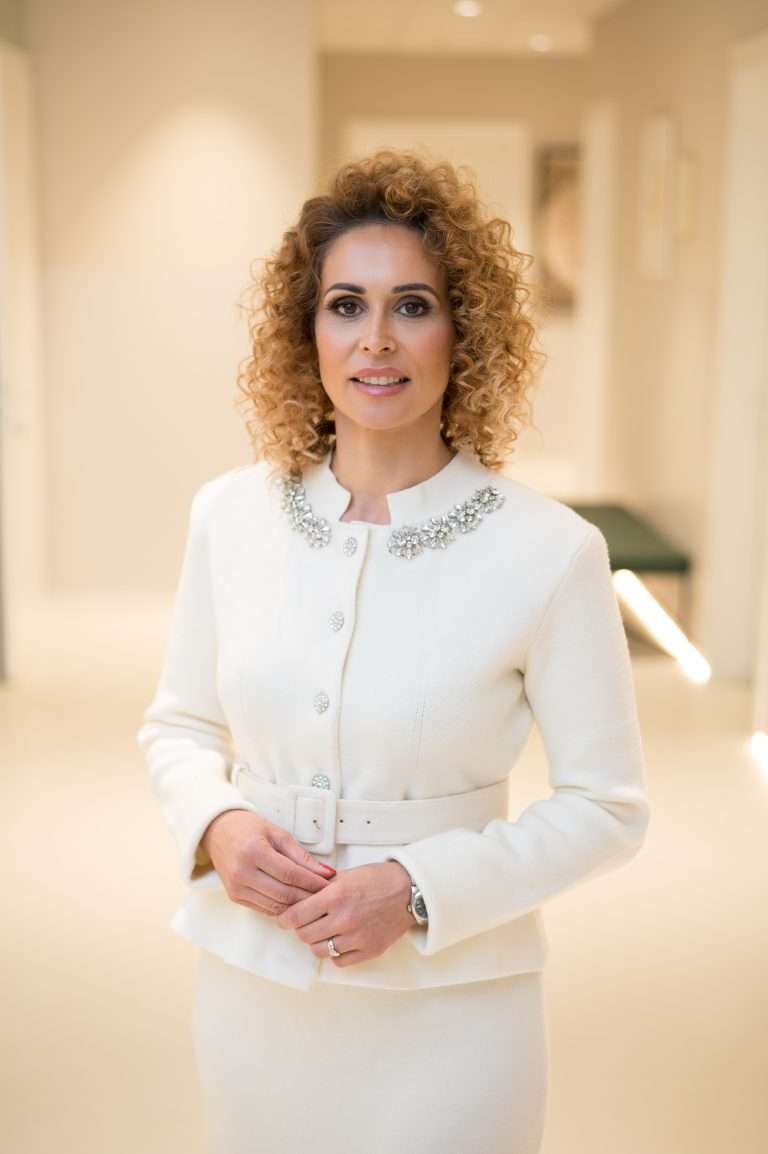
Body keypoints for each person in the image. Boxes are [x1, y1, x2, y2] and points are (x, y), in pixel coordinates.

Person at [136, 148, 650, 1154]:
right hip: (254, 991)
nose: (376, 339)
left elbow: (609, 806)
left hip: (455, 1010)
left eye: (412, 305)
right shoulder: (228, 517)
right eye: (346, 306)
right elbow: (180, 724)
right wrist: (219, 824)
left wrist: (416, 889)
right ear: (309, 331)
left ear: (466, 331)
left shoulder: (550, 551)